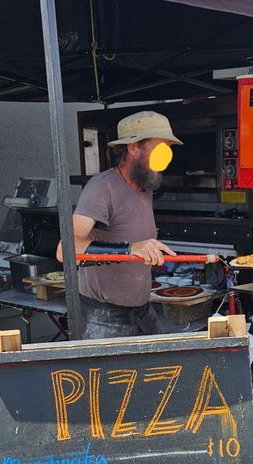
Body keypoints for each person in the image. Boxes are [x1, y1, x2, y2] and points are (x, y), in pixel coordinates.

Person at [55, 111, 183, 338]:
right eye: (160, 148)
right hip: (104, 318)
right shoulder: (102, 188)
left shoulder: (145, 188)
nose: (166, 157)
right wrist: (131, 248)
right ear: (133, 148)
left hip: (143, 313)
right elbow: (65, 249)